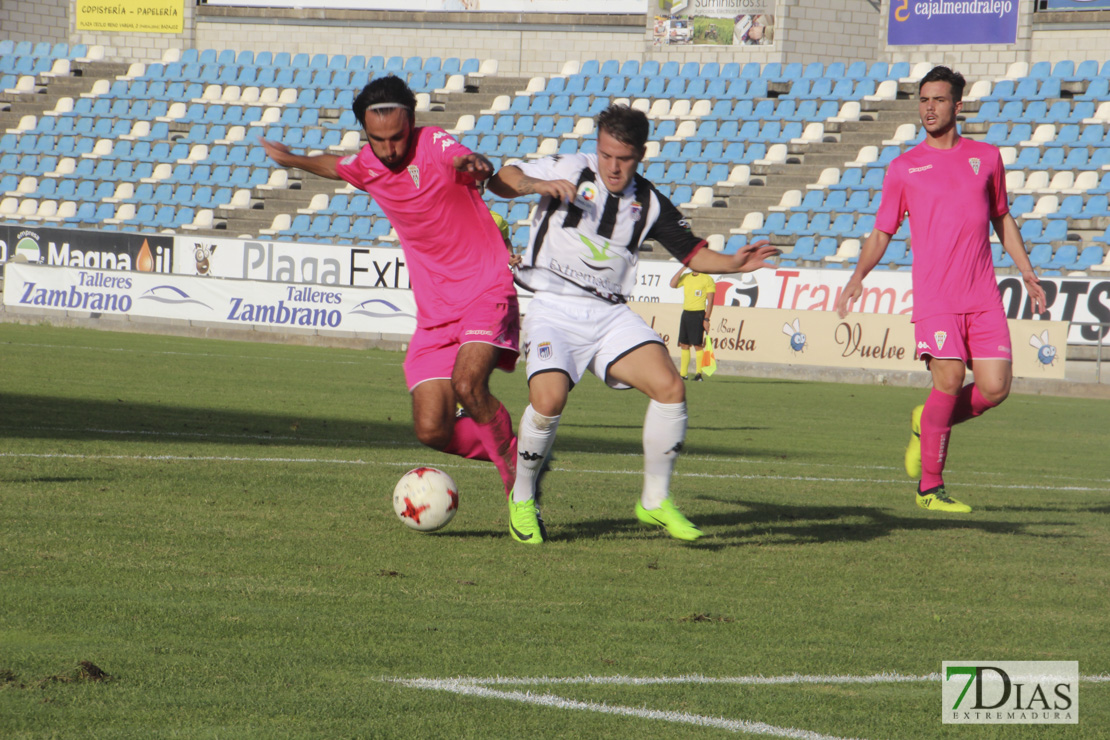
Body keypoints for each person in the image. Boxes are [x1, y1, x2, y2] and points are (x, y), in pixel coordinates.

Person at [487, 104, 778, 544]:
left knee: (670, 386)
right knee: (548, 400)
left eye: (623, 158)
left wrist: (735, 264)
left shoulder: (650, 202)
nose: (612, 166)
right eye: (605, 155)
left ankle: (654, 500)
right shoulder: (569, 166)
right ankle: (523, 498)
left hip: (608, 315)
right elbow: (500, 180)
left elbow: (692, 252)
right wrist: (537, 184)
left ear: (641, 153)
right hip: (554, 307)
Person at [259, 75, 520, 500]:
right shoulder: (368, 164)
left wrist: (473, 161)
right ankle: (518, 449)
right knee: (432, 428)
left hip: (484, 290)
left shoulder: (432, 143)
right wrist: (292, 161)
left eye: (397, 137)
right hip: (436, 313)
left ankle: (519, 485)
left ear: (411, 122)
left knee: (469, 385)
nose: (389, 148)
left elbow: (459, 156)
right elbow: (333, 165)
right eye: (377, 140)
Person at [834, 66, 1047, 513]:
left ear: (958, 105)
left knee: (995, 388)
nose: (928, 108)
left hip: (983, 295)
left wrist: (1026, 269)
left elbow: (1001, 218)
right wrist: (857, 277)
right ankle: (930, 488)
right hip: (936, 296)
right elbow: (881, 232)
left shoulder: (986, 158)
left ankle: (925, 420)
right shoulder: (904, 167)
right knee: (949, 379)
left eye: (938, 100)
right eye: (924, 100)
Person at [669, 264, 715, 381]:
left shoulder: (707, 279)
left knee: (697, 345)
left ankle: (699, 374)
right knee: (684, 344)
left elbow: (710, 302)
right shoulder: (686, 276)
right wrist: (682, 269)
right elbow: (672, 284)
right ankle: (683, 374)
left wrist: (706, 318)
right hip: (686, 313)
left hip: (698, 314)